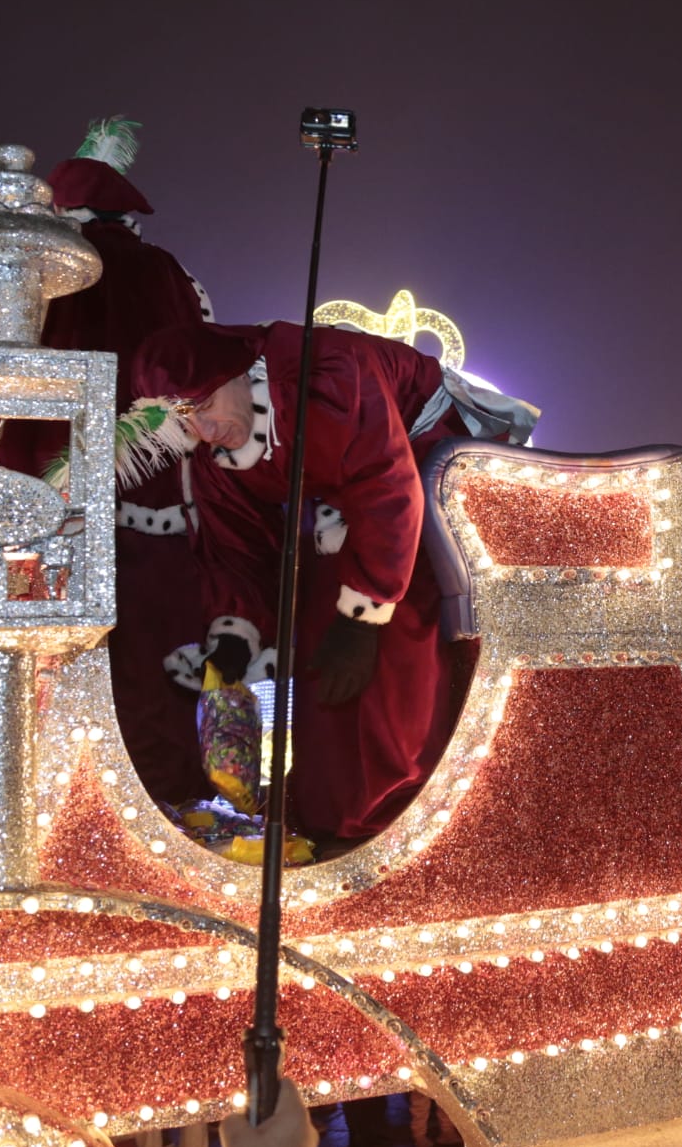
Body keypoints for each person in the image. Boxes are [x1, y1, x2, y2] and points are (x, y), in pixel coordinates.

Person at [125, 319, 534, 845]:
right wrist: (232, 639)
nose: (202, 429)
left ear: (233, 374)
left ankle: (399, 814)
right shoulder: (216, 458)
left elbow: (387, 485)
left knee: (398, 638)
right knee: (320, 641)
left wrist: (361, 619)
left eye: (203, 405)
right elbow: (236, 550)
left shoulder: (329, 375)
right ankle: (328, 808)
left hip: (425, 470)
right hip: (347, 506)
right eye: (184, 417)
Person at [0, 117, 221, 805]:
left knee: (34, 668)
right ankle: (172, 818)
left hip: (33, 523)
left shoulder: (28, 264)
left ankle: (36, 821)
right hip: (156, 521)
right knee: (161, 677)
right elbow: (200, 382)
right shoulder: (167, 272)